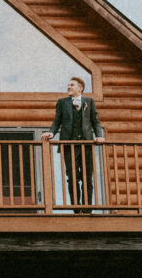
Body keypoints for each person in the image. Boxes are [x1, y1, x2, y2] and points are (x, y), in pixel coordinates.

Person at [41, 77, 105, 205]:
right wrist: (51, 132)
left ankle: (87, 208)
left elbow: (95, 121)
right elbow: (57, 121)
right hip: (68, 145)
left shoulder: (89, 102)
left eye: (72, 85)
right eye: (68, 85)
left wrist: (99, 135)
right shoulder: (62, 102)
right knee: (72, 177)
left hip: (86, 145)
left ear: (80, 88)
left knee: (88, 178)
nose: (68, 87)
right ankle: (76, 207)